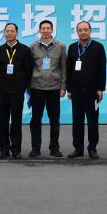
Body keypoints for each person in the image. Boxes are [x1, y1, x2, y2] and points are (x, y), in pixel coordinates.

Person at [65, 21, 107, 159]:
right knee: (77, 121)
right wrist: (69, 89)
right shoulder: (72, 48)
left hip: (93, 92)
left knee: (92, 121)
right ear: (77, 32)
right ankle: (78, 148)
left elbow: (102, 69)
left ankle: (92, 148)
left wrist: (101, 88)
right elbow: (68, 69)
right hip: (76, 91)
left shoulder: (98, 47)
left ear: (90, 31)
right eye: (80, 30)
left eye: (86, 29)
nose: (83, 32)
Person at [0, 22, 33, 159]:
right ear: (4, 33)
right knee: (3, 121)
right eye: (7, 31)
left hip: (17, 91)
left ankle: (16, 149)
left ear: (17, 33)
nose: (9, 33)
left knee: (16, 120)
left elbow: (28, 71)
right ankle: (3, 149)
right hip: (3, 91)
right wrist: (1, 84)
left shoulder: (24, 50)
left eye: (12, 31)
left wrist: (22, 87)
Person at [27, 19, 66, 158]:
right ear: (39, 30)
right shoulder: (33, 46)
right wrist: (29, 88)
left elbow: (63, 67)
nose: (45, 30)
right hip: (36, 87)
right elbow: (29, 68)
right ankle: (35, 148)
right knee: (35, 120)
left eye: (48, 28)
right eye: (43, 28)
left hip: (54, 87)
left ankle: (54, 148)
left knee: (54, 119)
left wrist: (63, 86)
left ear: (52, 30)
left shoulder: (60, 46)